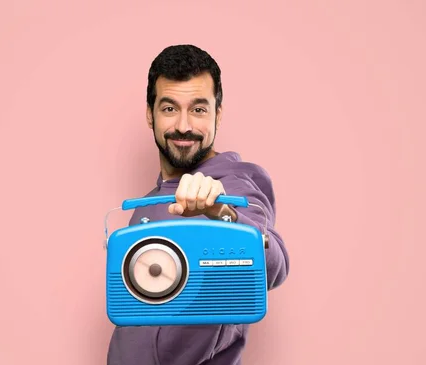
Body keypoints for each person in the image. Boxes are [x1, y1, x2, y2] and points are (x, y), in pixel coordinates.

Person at [107, 44, 289, 365]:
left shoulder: (235, 183)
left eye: (199, 109)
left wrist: (222, 215)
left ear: (218, 114)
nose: (183, 125)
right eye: (169, 108)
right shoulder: (148, 202)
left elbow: (272, 266)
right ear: (150, 115)